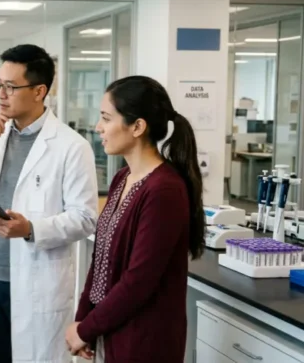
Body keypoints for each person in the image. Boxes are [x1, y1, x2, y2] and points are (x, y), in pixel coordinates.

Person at [0, 44, 98, 363]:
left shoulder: (72, 147)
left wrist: (31, 229)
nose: (1, 94)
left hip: (35, 283)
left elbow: (85, 218)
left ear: (39, 91)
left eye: (10, 86)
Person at [66, 76, 206, 363]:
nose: (98, 127)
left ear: (138, 127)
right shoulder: (123, 178)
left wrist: (87, 328)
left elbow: (139, 281)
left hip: (144, 339)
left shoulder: (164, 189)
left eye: (106, 118)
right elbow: (101, 258)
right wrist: (83, 322)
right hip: (111, 329)